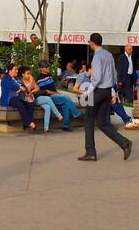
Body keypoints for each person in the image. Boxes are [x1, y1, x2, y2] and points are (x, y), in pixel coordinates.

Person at [80, 33, 132, 162]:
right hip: (107, 91)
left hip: (97, 91)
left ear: (92, 42)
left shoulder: (97, 57)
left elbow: (96, 77)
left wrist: (88, 91)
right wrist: (113, 93)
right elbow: (113, 75)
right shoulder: (109, 55)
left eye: (89, 42)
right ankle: (124, 143)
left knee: (88, 120)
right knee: (103, 122)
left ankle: (90, 152)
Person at [34, 60, 80, 132]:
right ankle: (77, 113)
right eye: (46, 66)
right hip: (49, 97)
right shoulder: (40, 78)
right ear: (41, 68)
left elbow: (53, 88)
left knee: (66, 104)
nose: (48, 67)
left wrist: (64, 83)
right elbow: (46, 92)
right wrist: (57, 94)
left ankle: (65, 126)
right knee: (65, 98)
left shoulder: (49, 76)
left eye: (48, 66)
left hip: (54, 95)